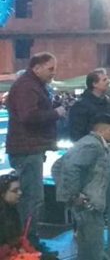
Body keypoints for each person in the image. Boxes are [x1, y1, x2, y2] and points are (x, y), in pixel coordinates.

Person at [6, 52, 66, 246]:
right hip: (27, 149)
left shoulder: (30, 85)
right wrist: (55, 113)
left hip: (28, 148)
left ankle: (26, 240)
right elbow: (29, 116)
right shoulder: (27, 87)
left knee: (30, 198)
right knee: (32, 198)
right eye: (50, 69)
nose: (53, 73)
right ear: (36, 67)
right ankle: (28, 241)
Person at [53, 114, 110, 260]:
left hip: (90, 206)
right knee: (92, 251)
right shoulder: (92, 145)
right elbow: (67, 167)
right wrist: (74, 195)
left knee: (90, 250)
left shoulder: (94, 144)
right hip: (89, 207)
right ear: (100, 131)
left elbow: (59, 166)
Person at [0, 171, 40, 259]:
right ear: (2, 193)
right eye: (15, 191)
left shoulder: (12, 210)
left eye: (19, 189)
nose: (20, 193)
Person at [68, 69, 110, 142]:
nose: (108, 82)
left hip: (106, 147)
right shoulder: (80, 105)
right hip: (88, 147)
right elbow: (76, 133)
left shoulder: (107, 103)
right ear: (94, 84)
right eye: (104, 80)